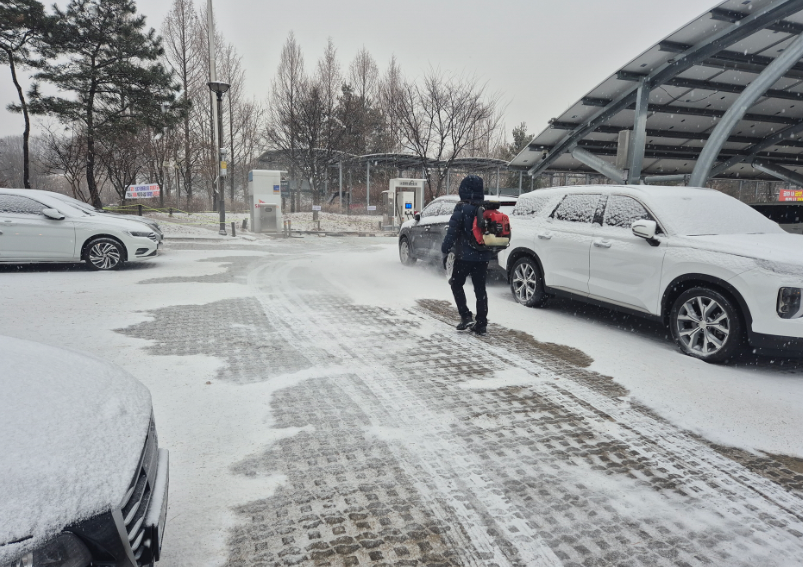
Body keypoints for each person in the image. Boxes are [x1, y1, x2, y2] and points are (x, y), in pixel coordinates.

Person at [441, 175, 495, 335]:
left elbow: (452, 232)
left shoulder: (461, 208)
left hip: (464, 256)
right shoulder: (486, 208)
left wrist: (445, 248)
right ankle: (481, 323)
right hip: (483, 256)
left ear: (463, 190)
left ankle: (465, 316)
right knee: (480, 289)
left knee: (456, 283)